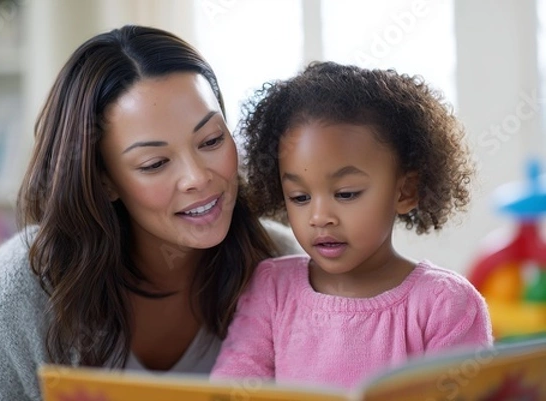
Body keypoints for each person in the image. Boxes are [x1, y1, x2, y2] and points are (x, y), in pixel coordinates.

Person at [0, 25, 301, 401]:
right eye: (155, 163)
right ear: (104, 180)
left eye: (211, 141)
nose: (198, 178)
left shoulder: (281, 260)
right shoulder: (21, 287)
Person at [210, 62, 493, 390]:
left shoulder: (445, 304)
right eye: (300, 197)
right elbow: (231, 389)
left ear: (405, 191)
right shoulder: (271, 288)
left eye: (346, 193)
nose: (319, 217)